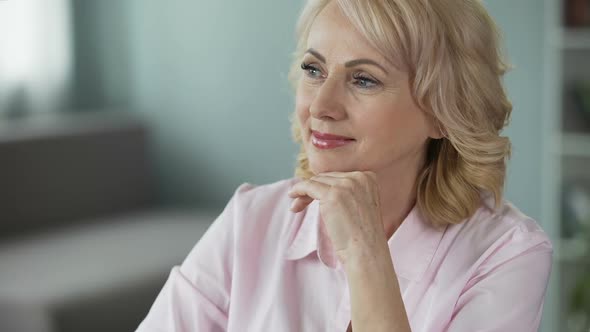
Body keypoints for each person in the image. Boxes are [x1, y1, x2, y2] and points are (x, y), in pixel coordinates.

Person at [136, 0, 553, 331]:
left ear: (443, 112)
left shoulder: (506, 255)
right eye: (314, 70)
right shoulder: (251, 220)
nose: (321, 105)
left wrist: (365, 253)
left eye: (363, 79)